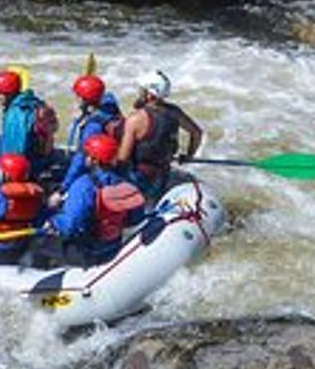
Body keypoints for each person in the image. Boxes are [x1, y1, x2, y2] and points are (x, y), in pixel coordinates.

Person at [40, 133, 146, 265]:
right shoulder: (124, 184)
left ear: (94, 160)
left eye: (88, 154)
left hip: (86, 251)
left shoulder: (84, 185)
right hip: (112, 247)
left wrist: (52, 222)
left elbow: (69, 225)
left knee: (40, 244)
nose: (85, 157)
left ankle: (41, 269)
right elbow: (135, 218)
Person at [116, 70, 203, 197]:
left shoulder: (135, 120)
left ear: (150, 94)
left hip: (138, 178)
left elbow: (123, 158)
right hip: (163, 175)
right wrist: (189, 155)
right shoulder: (175, 112)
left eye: (143, 90)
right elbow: (196, 133)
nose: (140, 92)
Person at [0, 69, 58, 168]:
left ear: (8, 94)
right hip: (41, 160)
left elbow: (15, 151)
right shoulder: (33, 102)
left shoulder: (16, 115)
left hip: (26, 167)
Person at [63, 73, 124, 184]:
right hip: (113, 166)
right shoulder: (111, 108)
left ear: (84, 100)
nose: (75, 99)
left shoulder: (93, 126)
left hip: (98, 172)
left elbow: (80, 159)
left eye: (78, 96)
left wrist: (63, 188)